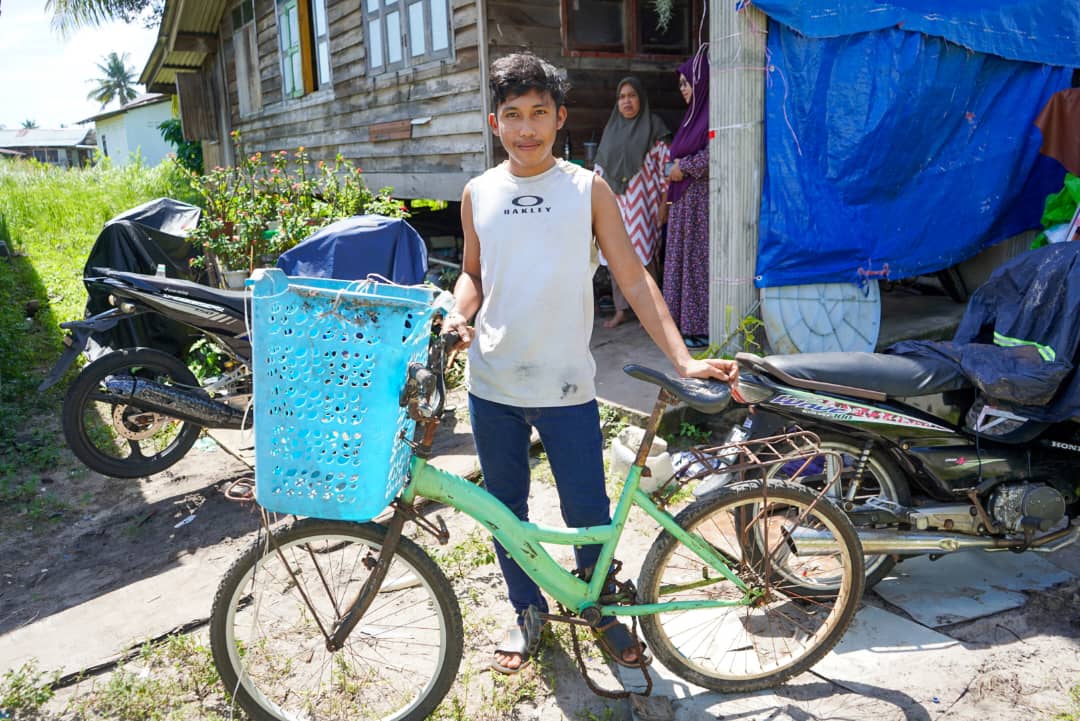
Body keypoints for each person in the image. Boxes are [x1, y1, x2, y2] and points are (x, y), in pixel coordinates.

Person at [442, 52, 738, 675]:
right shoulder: (478, 193)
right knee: (505, 512)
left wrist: (684, 359)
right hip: (491, 384)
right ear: (495, 122)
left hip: (568, 386)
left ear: (560, 118)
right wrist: (457, 313)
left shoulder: (586, 189)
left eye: (539, 114)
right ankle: (526, 613)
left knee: (587, 512)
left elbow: (633, 279)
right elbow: (472, 273)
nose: (527, 128)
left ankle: (601, 610)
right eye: (514, 115)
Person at [593, 76, 671, 328]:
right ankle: (621, 309)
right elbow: (600, 169)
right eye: (622, 97)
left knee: (645, 256)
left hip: (644, 206)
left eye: (631, 95)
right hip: (615, 205)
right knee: (615, 255)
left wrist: (664, 203)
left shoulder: (654, 127)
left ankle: (653, 312)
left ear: (641, 98)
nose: (626, 101)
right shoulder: (611, 129)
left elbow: (665, 169)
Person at [663, 51, 711, 348]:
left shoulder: (713, 117)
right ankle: (680, 325)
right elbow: (672, 160)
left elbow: (717, 153)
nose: (683, 89)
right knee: (681, 262)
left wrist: (685, 167)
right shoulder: (690, 119)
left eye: (687, 83)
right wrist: (672, 169)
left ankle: (699, 328)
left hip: (700, 205)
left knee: (695, 264)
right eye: (680, 84)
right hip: (683, 203)